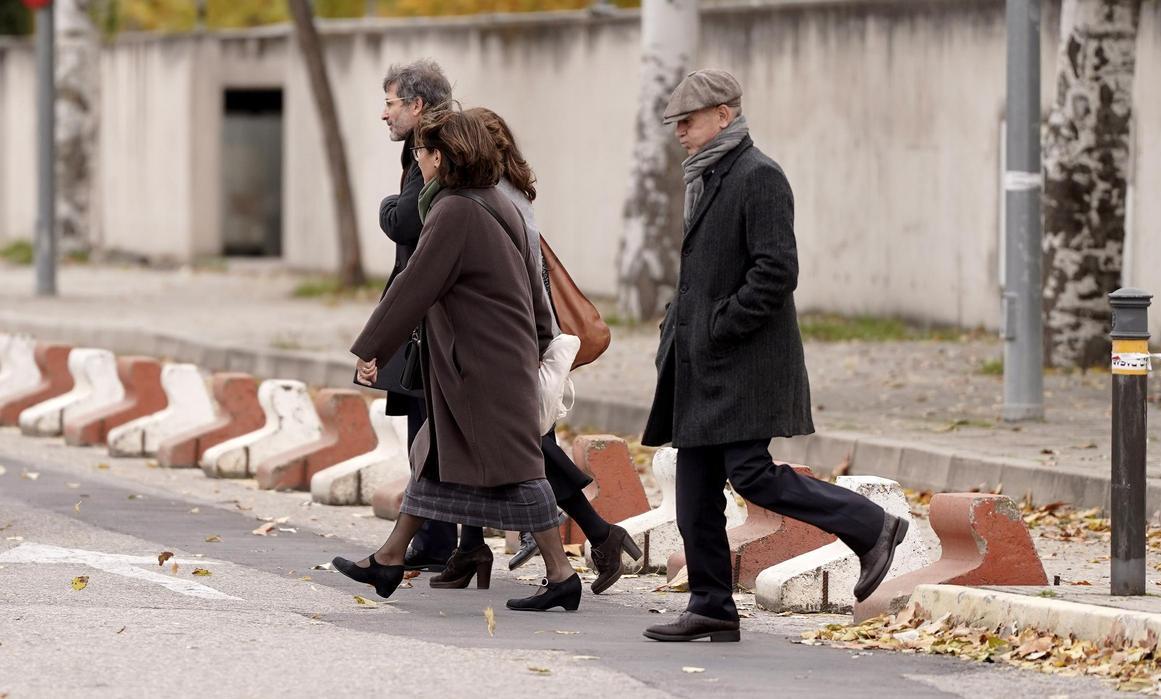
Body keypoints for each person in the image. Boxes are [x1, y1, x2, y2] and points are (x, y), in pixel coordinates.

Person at [641, 70, 908, 643]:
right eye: (676, 124)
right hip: (705, 364)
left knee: (752, 476)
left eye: (688, 121)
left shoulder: (758, 176)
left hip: (742, 362)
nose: (680, 132)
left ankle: (873, 525)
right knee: (694, 494)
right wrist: (680, 320)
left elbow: (775, 272)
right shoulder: (706, 178)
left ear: (725, 114)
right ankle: (711, 605)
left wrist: (715, 327)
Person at [335, 109, 581, 612]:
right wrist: (536, 342)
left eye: (421, 153)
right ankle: (389, 557)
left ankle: (561, 574)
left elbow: (415, 286)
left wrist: (371, 349)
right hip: (493, 359)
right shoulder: (495, 202)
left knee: (520, 469)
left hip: (482, 366)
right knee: (433, 453)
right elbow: (536, 285)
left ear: (440, 157)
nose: (417, 162)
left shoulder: (453, 211)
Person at [422, 107, 641, 595]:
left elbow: (522, 277)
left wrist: (537, 341)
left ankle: (590, 542)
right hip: (506, 339)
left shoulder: (489, 196)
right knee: (484, 445)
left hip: (507, 341)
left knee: (521, 455)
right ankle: (471, 546)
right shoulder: (503, 190)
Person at [376, 59, 459, 572]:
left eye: (390, 104)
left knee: (433, 427)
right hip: (426, 309)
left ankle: (439, 542)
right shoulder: (419, 147)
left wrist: (387, 205)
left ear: (416, 106)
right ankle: (441, 542)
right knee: (421, 420)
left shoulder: (435, 148)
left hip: (438, 310)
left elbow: (409, 218)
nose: (383, 115)